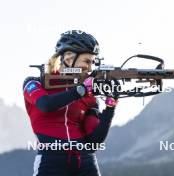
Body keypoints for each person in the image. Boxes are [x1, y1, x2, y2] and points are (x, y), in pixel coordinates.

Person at [23, 30, 118, 176]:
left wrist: (111, 106)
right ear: (68, 57)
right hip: (51, 162)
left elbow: (94, 142)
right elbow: (46, 104)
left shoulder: (89, 94)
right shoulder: (35, 82)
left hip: (86, 161)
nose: (90, 68)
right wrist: (80, 91)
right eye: (87, 61)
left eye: (93, 62)